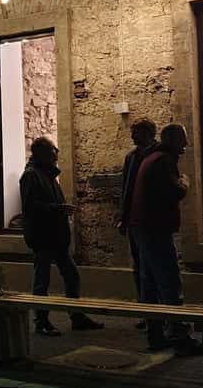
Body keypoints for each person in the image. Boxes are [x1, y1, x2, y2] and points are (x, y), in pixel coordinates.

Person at [129, 123, 201, 355]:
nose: (186, 145)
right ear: (172, 140)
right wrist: (185, 182)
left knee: (149, 284)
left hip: (144, 227)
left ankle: (156, 336)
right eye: (183, 139)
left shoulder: (150, 158)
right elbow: (174, 191)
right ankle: (180, 337)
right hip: (156, 229)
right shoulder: (163, 161)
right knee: (169, 282)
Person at [19, 136, 103, 336]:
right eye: (52, 150)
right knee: (42, 280)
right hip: (43, 237)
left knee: (71, 275)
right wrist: (58, 209)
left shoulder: (46, 174)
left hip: (55, 237)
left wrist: (59, 210)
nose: (56, 152)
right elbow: (30, 207)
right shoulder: (31, 176)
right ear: (41, 153)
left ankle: (76, 316)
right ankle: (41, 322)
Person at [117, 118, 158, 327]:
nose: (132, 136)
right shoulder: (131, 157)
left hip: (152, 220)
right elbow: (126, 189)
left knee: (153, 266)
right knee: (139, 266)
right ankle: (145, 309)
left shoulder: (158, 155)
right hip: (135, 220)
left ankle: (158, 311)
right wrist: (123, 218)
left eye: (136, 132)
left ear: (148, 133)